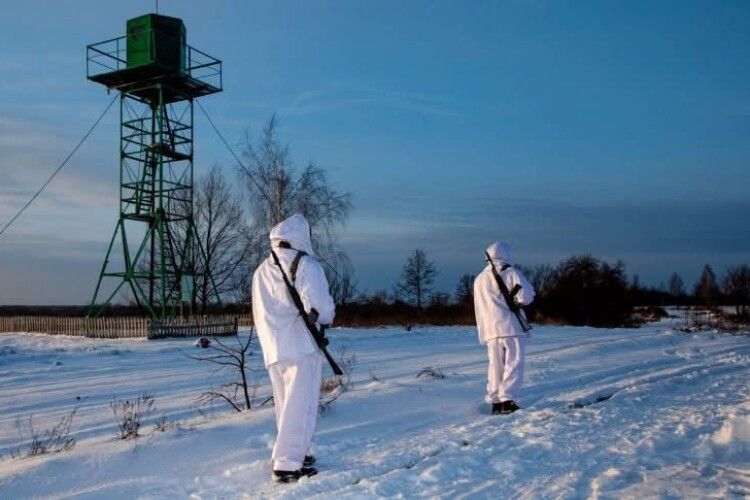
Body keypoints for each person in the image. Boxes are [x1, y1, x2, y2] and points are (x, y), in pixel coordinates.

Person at [252, 214, 336, 483]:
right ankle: (287, 464)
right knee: (302, 405)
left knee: (286, 406)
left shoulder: (261, 270)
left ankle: (295, 453)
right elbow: (322, 310)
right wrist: (326, 316)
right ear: (302, 236)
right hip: (300, 346)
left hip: (273, 349)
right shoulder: (306, 265)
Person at [473, 241, 535, 415]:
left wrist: (483, 331)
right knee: (513, 363)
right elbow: (527, 296)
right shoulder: (511, 272)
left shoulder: (478, 279)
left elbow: (479, 309)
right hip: (511, 326)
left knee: (495, 365)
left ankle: (495, 402)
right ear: (506, 254)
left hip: (491, 330)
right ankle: (507, 400)